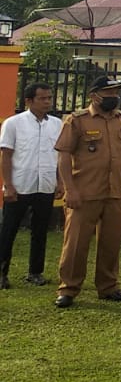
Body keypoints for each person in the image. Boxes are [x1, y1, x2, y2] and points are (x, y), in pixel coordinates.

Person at [52, 76, 121, 308]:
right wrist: (69, 188)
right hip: (84, 193)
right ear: (94, 95)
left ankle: (108, 286)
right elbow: (64, 155)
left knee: (111, 243)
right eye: (109, 93)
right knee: (76, 244)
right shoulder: (77, 120)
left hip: (114, 192)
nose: (114, 97)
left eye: (116, 93)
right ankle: (68, 289)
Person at [1, 83, 63, 290]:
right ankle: (2, 273)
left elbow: (60, 157)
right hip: (20, 185)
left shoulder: (56, 124)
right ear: (29, 101)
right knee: (8, 230)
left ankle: (35, 272)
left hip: (45, 185)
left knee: (40, 230)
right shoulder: (13, 123)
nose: (47, 102)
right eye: (42, 98)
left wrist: (60, 181)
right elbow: (6, 156)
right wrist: (8, 185)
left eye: (49, 98)